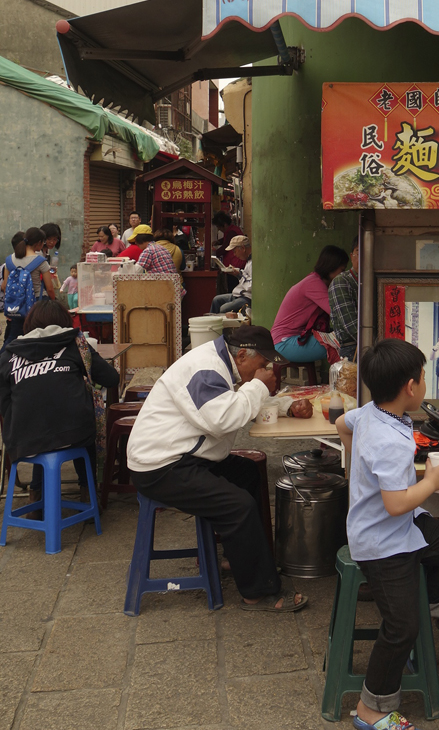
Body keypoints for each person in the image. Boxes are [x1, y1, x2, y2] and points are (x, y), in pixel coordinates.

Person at [335, 339, 439, 730]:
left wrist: (357, 467)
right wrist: (431, 482)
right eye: (425, 378)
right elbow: (396, 504)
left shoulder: (370, 413)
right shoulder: (391, 441)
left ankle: (427, 604)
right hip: (381, 540)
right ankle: (371, 708)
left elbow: (342, 425)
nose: (426, 385)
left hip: (402, 526)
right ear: (411, 387)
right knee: (400, 626)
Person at [126, 324, 308, 612]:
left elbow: (234, 402)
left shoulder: (222, 363)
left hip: (187, 455)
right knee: (239, 505)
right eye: (262, 365)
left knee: (247, 474)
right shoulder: (206, 368)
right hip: (161, 466)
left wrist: (286, 407)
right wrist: (259, 385)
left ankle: (238, 558)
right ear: (243, 356)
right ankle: (257, 593)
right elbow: (222, 418)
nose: (265, 371)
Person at [0, 298, 119, 504]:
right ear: (65, 322)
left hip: (24, 439)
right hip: (75, 432)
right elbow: (111, 378)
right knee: (76, 433)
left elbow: (4, 401)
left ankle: (35, 502)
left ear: (29, 324)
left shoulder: (8, 354)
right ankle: (88, 496)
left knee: (42, 435)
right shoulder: (75, 345)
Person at [271, 245, 350, 363]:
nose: (344, 275)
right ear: (331, 267)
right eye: (342, 270)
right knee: (346, 345)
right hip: (285, 343)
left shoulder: (314, 281)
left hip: (291, 339)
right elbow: (337, 313)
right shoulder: (314, 284)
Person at [3, 227, 56, 343]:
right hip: (38, 303)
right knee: (40, 337)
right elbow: (50, 288)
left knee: (14, 338)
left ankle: (4, 359)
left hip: (18, 305)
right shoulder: (41, 261)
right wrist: (53, 301)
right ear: (38, 243)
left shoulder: (9, 260)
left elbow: (5, 285)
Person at [329, 235, 359, 360]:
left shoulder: (376, 282)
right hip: (353, 348)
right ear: (352, 257)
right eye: (359, 252)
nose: (365, 257)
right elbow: (352, 327)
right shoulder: (342, 281)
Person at [210, 236, 251, 314]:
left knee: (223, 309)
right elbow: (246, 276)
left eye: (235, 251)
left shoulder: (252, 263)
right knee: (216, 300)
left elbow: (250, 286)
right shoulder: (248, 261)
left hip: (247, 297)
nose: (234, 254)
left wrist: (239, 274)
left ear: (243, 248)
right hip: (239, 294)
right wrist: (237, 271)